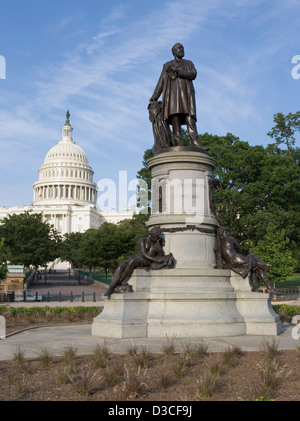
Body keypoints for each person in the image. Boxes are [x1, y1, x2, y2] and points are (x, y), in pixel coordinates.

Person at [149, 43, 206, 149]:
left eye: (182, 48)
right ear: (174, 52)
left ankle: (195, 142)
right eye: (179, 48)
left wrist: (178, 71)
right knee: (175, 118)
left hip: (186, 94)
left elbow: (193, 74)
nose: (182, 50)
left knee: (189, 118)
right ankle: (178, 144)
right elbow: (161, 81)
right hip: (172, 95)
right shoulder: (167, 65)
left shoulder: (188, 63)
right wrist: (154, 96)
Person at [103, 227, 174, 296]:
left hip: (145, 261)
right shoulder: (143, 240)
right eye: (155, 236)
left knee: (132, 263)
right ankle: (111, 287)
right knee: (121, 267)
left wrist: (158, 243)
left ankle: (115, 286)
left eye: (157, 236)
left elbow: (161, 255)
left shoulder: (156, 244)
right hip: (137, 257)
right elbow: (143, 253)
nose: (156, 237)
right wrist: (155, 259)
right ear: (151, 234)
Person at [214, 226, 278, 294]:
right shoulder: (230, 239)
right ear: (224, 232)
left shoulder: (219, 245)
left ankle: (256, 286)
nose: (228, 233)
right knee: (258, 266)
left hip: (231, 262)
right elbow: (239, 249)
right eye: (227, 232)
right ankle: (269, 287)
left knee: (253, 258)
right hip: (237, 258)